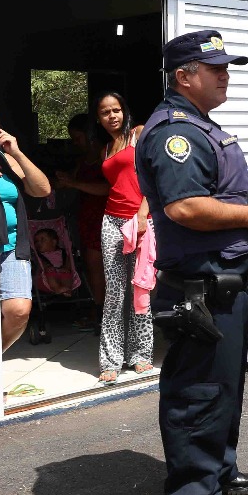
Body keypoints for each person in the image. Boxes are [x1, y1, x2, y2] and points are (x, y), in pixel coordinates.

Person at [136, 29, 248, 495]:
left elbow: (216, 192)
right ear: (184, 76)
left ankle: (218, 468)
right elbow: (184, 207)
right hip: (199, 285)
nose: (225, 76)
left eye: (226, 67)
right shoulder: (174, 134)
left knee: (223, 386)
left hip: (224, 282)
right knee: (198, 392)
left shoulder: (201, 125)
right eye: (215, 68)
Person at [92, 92, 152, 383]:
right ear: (99, 118)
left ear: (124, 111)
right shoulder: (105, 149)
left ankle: (141, 354)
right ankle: (111, 359)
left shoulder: (138, 134)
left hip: (140, 220)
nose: (112, 116)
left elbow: (154, 175)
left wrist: (142, 213)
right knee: (115, 292)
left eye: (116, 110)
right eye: (105, 112)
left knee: (140, 287)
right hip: (112, 221)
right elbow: (113, 186)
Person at [0, 114, 52, 353]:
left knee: (18, 311)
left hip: (11, 246)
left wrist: (16, 152)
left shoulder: (5, 158)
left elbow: (42, 189)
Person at [54, 113, 107, 316]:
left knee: (97, 266)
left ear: (90, 134)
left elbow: (108, 187)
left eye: (77, 138)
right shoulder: (84, 160)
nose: (75, 143)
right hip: (86, 217)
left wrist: (74, 183)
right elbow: (73, 181)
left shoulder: (105, 155)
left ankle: (100, 311)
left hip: (102, 217)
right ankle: (97, 308)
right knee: (90, 265)